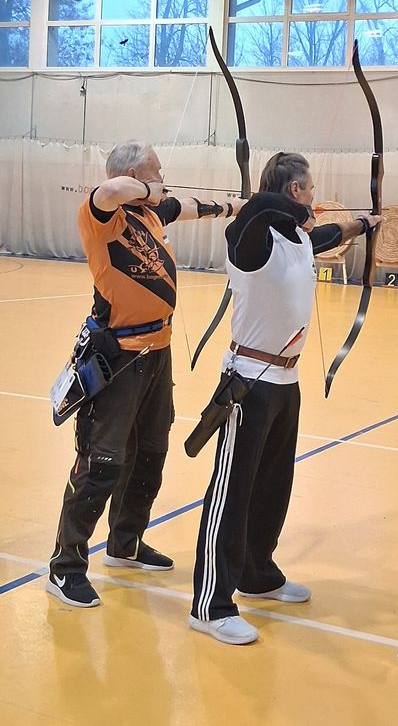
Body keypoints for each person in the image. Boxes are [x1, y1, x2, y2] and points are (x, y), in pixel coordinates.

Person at [189, 151, 381, 645]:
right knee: (231, 491)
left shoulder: (295, 239)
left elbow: (326, 236)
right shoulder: (252, 238)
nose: (314, 197)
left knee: (273, 485)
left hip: (284, 383)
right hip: (248, 380)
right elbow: (256, 209)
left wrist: (364, 223)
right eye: (310, 189)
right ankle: (209, 604)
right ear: (294, 191)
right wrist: (296, 210)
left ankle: (256, 573)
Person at [47, 140, 244, 608]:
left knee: (152, 448)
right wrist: (145, 188)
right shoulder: (102, 216)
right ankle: (65, 565)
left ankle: (126, 541)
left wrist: (242, 204)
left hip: (159, 351)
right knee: (102, 463)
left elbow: (196, 206)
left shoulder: (151, 214)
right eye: (156, 171)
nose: (163, 177)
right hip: (120, 356)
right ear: (137, 174)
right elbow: (111, 187)